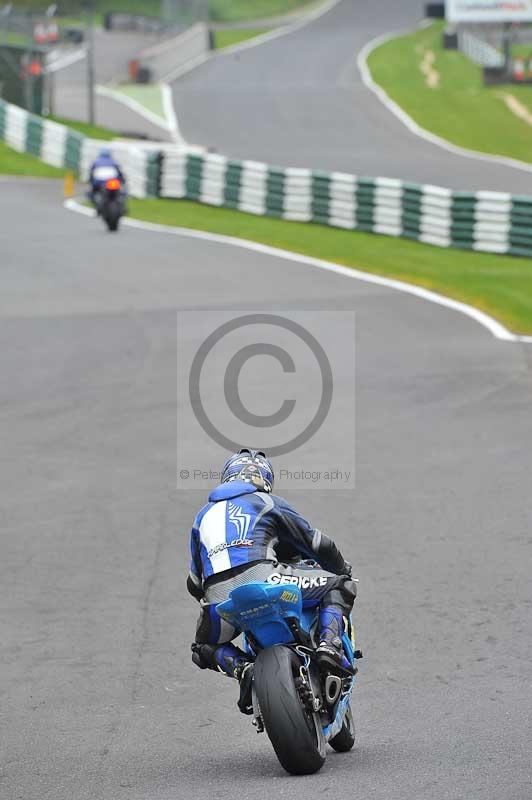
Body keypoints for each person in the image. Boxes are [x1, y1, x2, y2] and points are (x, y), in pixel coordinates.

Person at [187, 448, 357, 714]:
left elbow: (194, 583)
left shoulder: (201, 518)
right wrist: (340, 567)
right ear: (265, 480)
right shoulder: (267, 502)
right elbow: (316, 543)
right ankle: (329, 646)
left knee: (203, 647)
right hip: (266, 578)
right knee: (340, 585)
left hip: (220, 599)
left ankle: (242, 668)